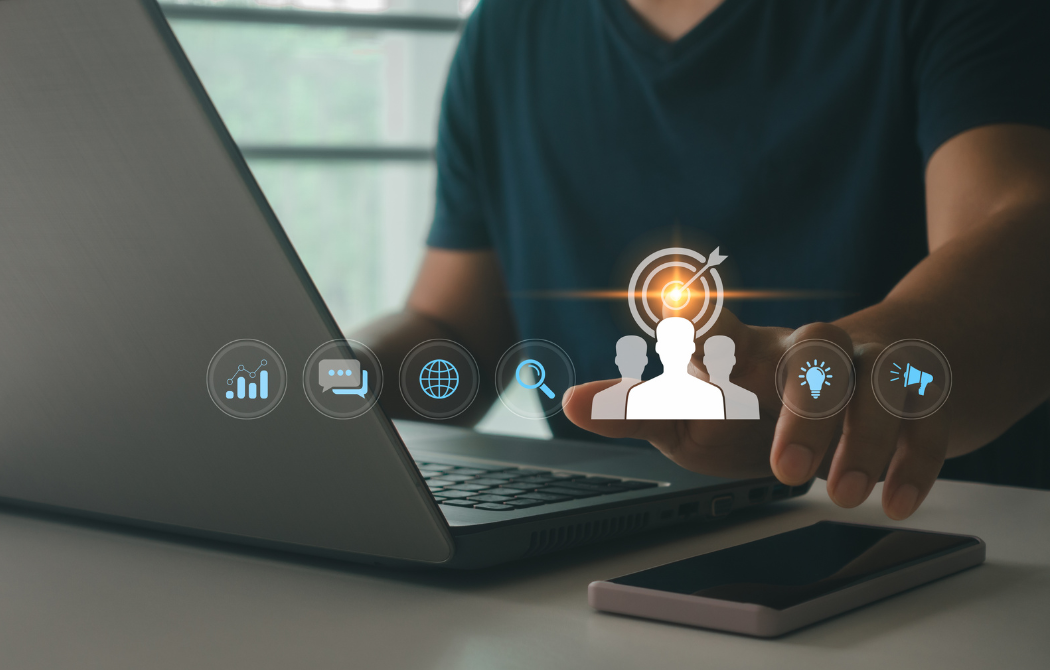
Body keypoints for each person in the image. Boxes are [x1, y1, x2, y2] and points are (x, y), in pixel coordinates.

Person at [357, 0, 1050, 519]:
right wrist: (336, 372)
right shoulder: (508, 30)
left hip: (935, 551)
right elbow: (454, 335)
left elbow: (1020, 238)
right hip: (592, 571)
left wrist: (861, 361)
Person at [625, 318, 725, 420]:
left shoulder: (711, 396)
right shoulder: (639, 395)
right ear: (658, 347)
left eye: (680, 344)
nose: (674, 350)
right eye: (669, 344)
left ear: (692, 347)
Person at [591, 335, 649, 420]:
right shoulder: (602, 399)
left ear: (645, 360)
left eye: (635, 357)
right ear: (617, 360)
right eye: (626, 357)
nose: (630, 362)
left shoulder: (659, 400)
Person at [703, 335, 759, 420]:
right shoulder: (694, 399)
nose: (719, 363)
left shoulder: (748, 399)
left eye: (724, 357)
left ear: (733, 360)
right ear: (705, 360)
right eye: (715, 357)